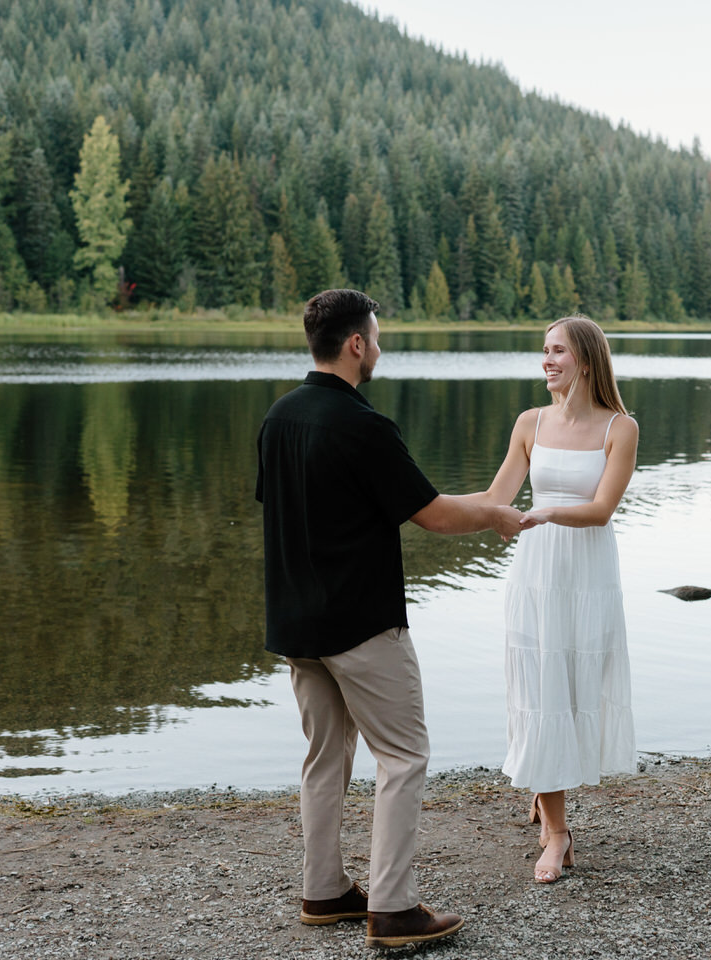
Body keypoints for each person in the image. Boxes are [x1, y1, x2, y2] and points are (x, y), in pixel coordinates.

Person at [256, 288, 523, 948]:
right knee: (403, 756)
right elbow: (432, 514)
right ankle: (394, 909)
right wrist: (495, 511)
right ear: (355, 345)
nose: (379, 347)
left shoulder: (279, 417)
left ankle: (324, 892)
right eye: (375, 337)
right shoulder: (362, 426)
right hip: (361, 624)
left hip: (298, 625)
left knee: (324, 758)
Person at [455, 315, 639, 883]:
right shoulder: (529, 423)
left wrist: (545, 511)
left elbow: (602, 509)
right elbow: (496, 497)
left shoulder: (620, 428)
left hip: (587, 576)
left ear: (585, 359)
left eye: (557, 351)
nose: (546, 361)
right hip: (536, 575)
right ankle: (557, 833)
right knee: (541, 691)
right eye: (543, 351)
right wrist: (419, 505)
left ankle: (547, 794)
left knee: (574, 687)